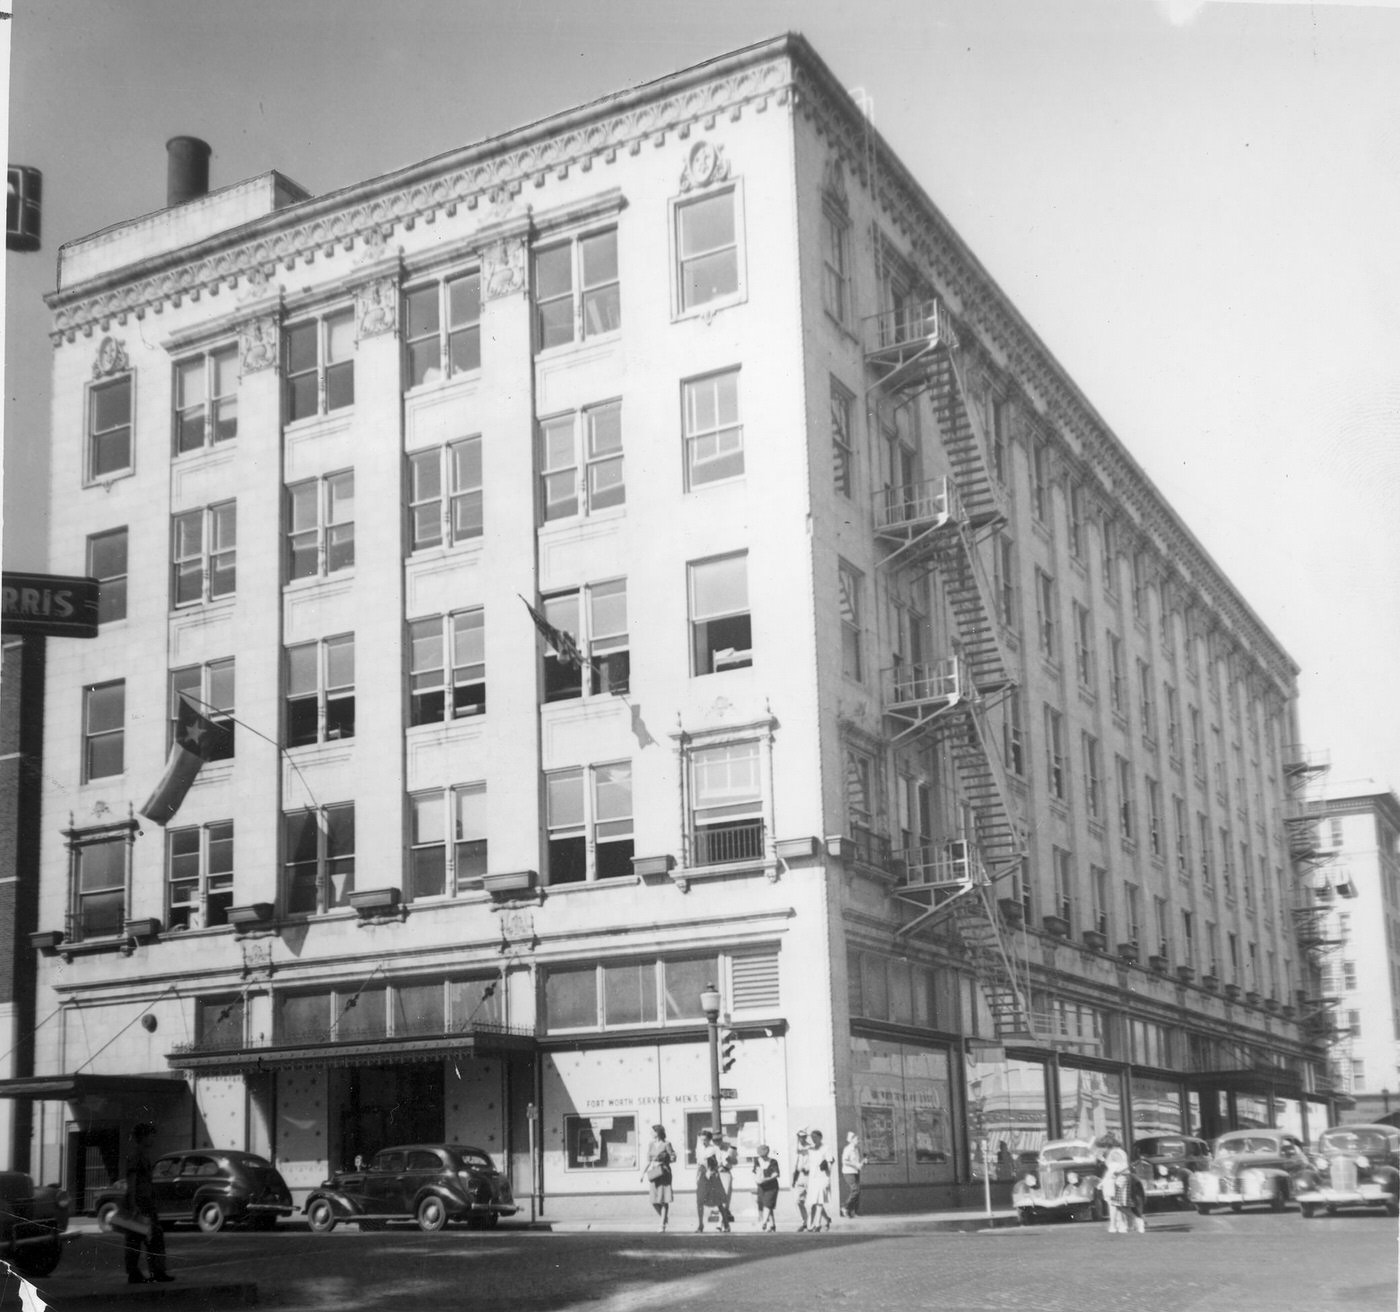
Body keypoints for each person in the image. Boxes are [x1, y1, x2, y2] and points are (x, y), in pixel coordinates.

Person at [123, 1122, 173, 1285]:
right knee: (136, 1239)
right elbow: (132, 1182)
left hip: (146, 1204)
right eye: (150, 1135)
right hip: (139, 1205)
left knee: (152, 1238)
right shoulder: (136, 1157)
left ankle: (156, 1271)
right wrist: (134, 1206)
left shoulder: (143, 1156)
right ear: (143, 1137)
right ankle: (136, 1273)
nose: (153, 1138)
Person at [1100, 1146, 1145, 1235]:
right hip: (1123, 1178)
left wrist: (1102, 1183)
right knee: (1120, 1205)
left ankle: (1137, 1220)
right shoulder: (1120, 1152)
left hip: (1120, 1179)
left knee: (1119, 1205)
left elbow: (1112, 1170)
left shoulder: (1114, 1153)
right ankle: (1133, 1222)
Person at [641, 1124, 677, 1232]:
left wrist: (665, 1160)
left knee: (663, 1199)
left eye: (653, 1131)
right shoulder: (651, 1144)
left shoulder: (667, 1144)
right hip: (654, 1173)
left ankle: (662, 1225)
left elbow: (673, 1157)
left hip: (664, 1172)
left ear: (658, 1132)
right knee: (654, 1200)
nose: (651, 1133)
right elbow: (648, 1160)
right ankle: (664, 1218)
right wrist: (643, 1173)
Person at [693, 1127, 730, 1232]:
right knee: (700, 1200)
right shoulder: (699, 1149)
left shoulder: (713, 1148)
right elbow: (699, 1163)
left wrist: (712, 1170)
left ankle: (726, 1224)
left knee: (718, 1201)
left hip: (712, 1176)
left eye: (705, 1139)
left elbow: (719, 1162)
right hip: (702, 1175)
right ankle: (700, 1225)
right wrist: (698, 1175)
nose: (703, 1141)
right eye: (701, 1139)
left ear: (709, 1139)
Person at [805, 1129, 834, 1232]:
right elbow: (808, 1162)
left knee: (819, 1201)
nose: (813, 1139)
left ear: (820, 1137)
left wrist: (827, 1173)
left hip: (823, 1176)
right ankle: (826, 1219)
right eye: (812, 1138)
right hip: (812, 1178)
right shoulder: (811, 1149)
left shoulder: (826, 1148)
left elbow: (830, 1161)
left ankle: (817, 1224)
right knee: (813, 1201)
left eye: (815, 1137)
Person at [840, 1130, 867, 1217]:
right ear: (851, 1140)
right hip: (848, 1172)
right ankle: (845, 1207)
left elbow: (857, 1161)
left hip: (855, 1171)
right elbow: (844, 1161)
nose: (858, 1140)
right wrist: (856, 1165)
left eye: (858, 1139)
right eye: (856, 1139)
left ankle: (854, 1211)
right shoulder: (847, 1149)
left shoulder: (856, 1149)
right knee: (856, 1190)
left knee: (857, 1191)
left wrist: (863, 1162)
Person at [754, 1144, 781, 1231]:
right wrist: (758, 1180)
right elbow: (756, 1171)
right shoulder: (757, 1161)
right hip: (761, 1186)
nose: (762, 1157)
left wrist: (767, 1179)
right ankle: (772, 1225)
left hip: (771, 1185)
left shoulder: (773, 1161)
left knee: (768, 1204)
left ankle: (764, 1222)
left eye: (764, 1155)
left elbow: (776, 1174)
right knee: (765, 1204)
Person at [791, 1128, 812, 1231]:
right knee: (799, 1201)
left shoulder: (810, 1148)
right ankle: (805, 1221)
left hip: (809, 1176)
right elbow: (795, 1164)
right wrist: (793, 1179)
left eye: (803, 1137)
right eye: (800, 1137)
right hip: (799, 1177)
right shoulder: (796, 1149)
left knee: (812, 1201)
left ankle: (811, 1223)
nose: (801, 1139)